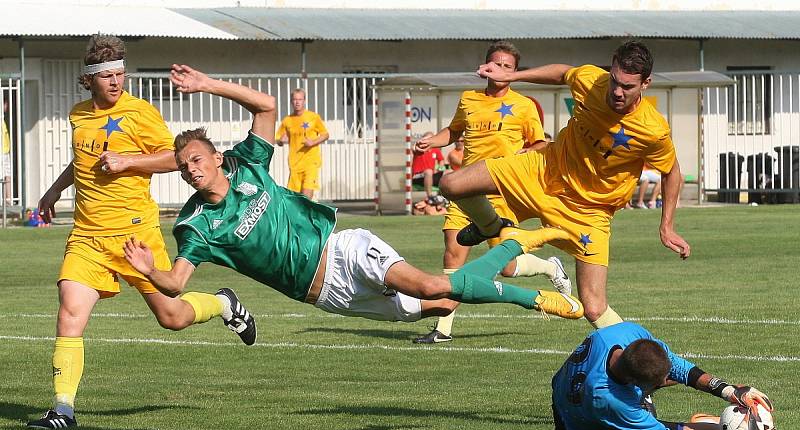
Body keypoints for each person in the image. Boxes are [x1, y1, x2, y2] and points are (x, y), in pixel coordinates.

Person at [123, 65, 585, 337]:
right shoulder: (197, 224)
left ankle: (534, 299)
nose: (191, 169)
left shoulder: (247, 164)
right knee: (444, 303)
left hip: (343, 250)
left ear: (216, 158)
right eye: (183, 167)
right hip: (324, 294)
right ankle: (516, 243)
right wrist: (150, 271)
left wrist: (208, 84)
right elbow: (176, 284)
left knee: (431, 285)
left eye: (197, 160)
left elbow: (264, 105)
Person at [26, 35, 255, 430]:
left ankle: (223, 304)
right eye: (108, 76)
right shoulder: (79, 114)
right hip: (87, 236)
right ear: (89, 79)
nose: (116, 82)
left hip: (135, 235)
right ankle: (62, 409)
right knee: (70, 313)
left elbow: (175, 157)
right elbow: (84, 159)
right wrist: (57, 188)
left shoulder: (140, 112)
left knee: (172, 315)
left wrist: (128, 161)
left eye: (120, 74)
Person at [439, 40, 691, 330]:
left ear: (645, 83)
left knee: (594, 307)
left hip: (588, 210)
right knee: (452, 184)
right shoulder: (592, 81)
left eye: (628, 87)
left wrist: (667, 225)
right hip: (545, 171)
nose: (617, 92)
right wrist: (513, 76)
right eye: (614, 81)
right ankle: (489, 227)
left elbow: (671, 171)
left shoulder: (652, 129)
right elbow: (563, 73)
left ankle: (648, 363)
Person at [412, 40, 571, 345]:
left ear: (514, 71)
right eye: (495, 64)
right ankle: (443, 329)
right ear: (485, 67)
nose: (500, 70)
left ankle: (549, 267)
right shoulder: (469, 98)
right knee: (453, 253)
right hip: (465, 192)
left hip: (501, 191)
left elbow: (539, 144)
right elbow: (455, 132)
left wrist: (520, 164)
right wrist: (433, 140)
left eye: (507, 66)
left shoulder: (524, 105)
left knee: (508, 268)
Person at [551, 322, 776, 430]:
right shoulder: (610, 400)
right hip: (578, 428)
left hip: (565, 389)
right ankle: (720, 426)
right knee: (652, 426)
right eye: (659, 383)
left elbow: (677, 367)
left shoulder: (625, 333)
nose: (669, 381)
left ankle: (718, 424)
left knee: (646, 414)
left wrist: (727, 390)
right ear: (635, 386)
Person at [275, 88, 329, 200]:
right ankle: (311, 212)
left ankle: (307, 211)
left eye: (300, 99)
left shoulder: (313, 117)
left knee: (305, 196)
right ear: (291, 101)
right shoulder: (287, 121)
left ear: (304, 101)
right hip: (294, 164)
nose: (297, 102)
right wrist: (281, 141)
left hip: (311, 162)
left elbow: (325, 134)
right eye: (295, 99)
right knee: (295, 199)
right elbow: (278, 139)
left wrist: (313, 142)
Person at [411, 134, 446, 204]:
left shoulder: (435, 149)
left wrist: (439, 167)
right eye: (428, 138)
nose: (430, 140)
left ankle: (442, 197)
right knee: (428, 171)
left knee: (448, 173)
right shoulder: (419, 148)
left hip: (430, 175)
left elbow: (441, 160)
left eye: (432, 138)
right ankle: (430, 197)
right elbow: (413, 148)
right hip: (417, 176)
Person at [1, 97, 11, 206]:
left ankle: (7, 199)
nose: (6, 106)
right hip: (1, 152)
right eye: (5, 104)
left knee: (7, 175)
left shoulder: (3, 119)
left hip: (5, 151)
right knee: (3, 175)